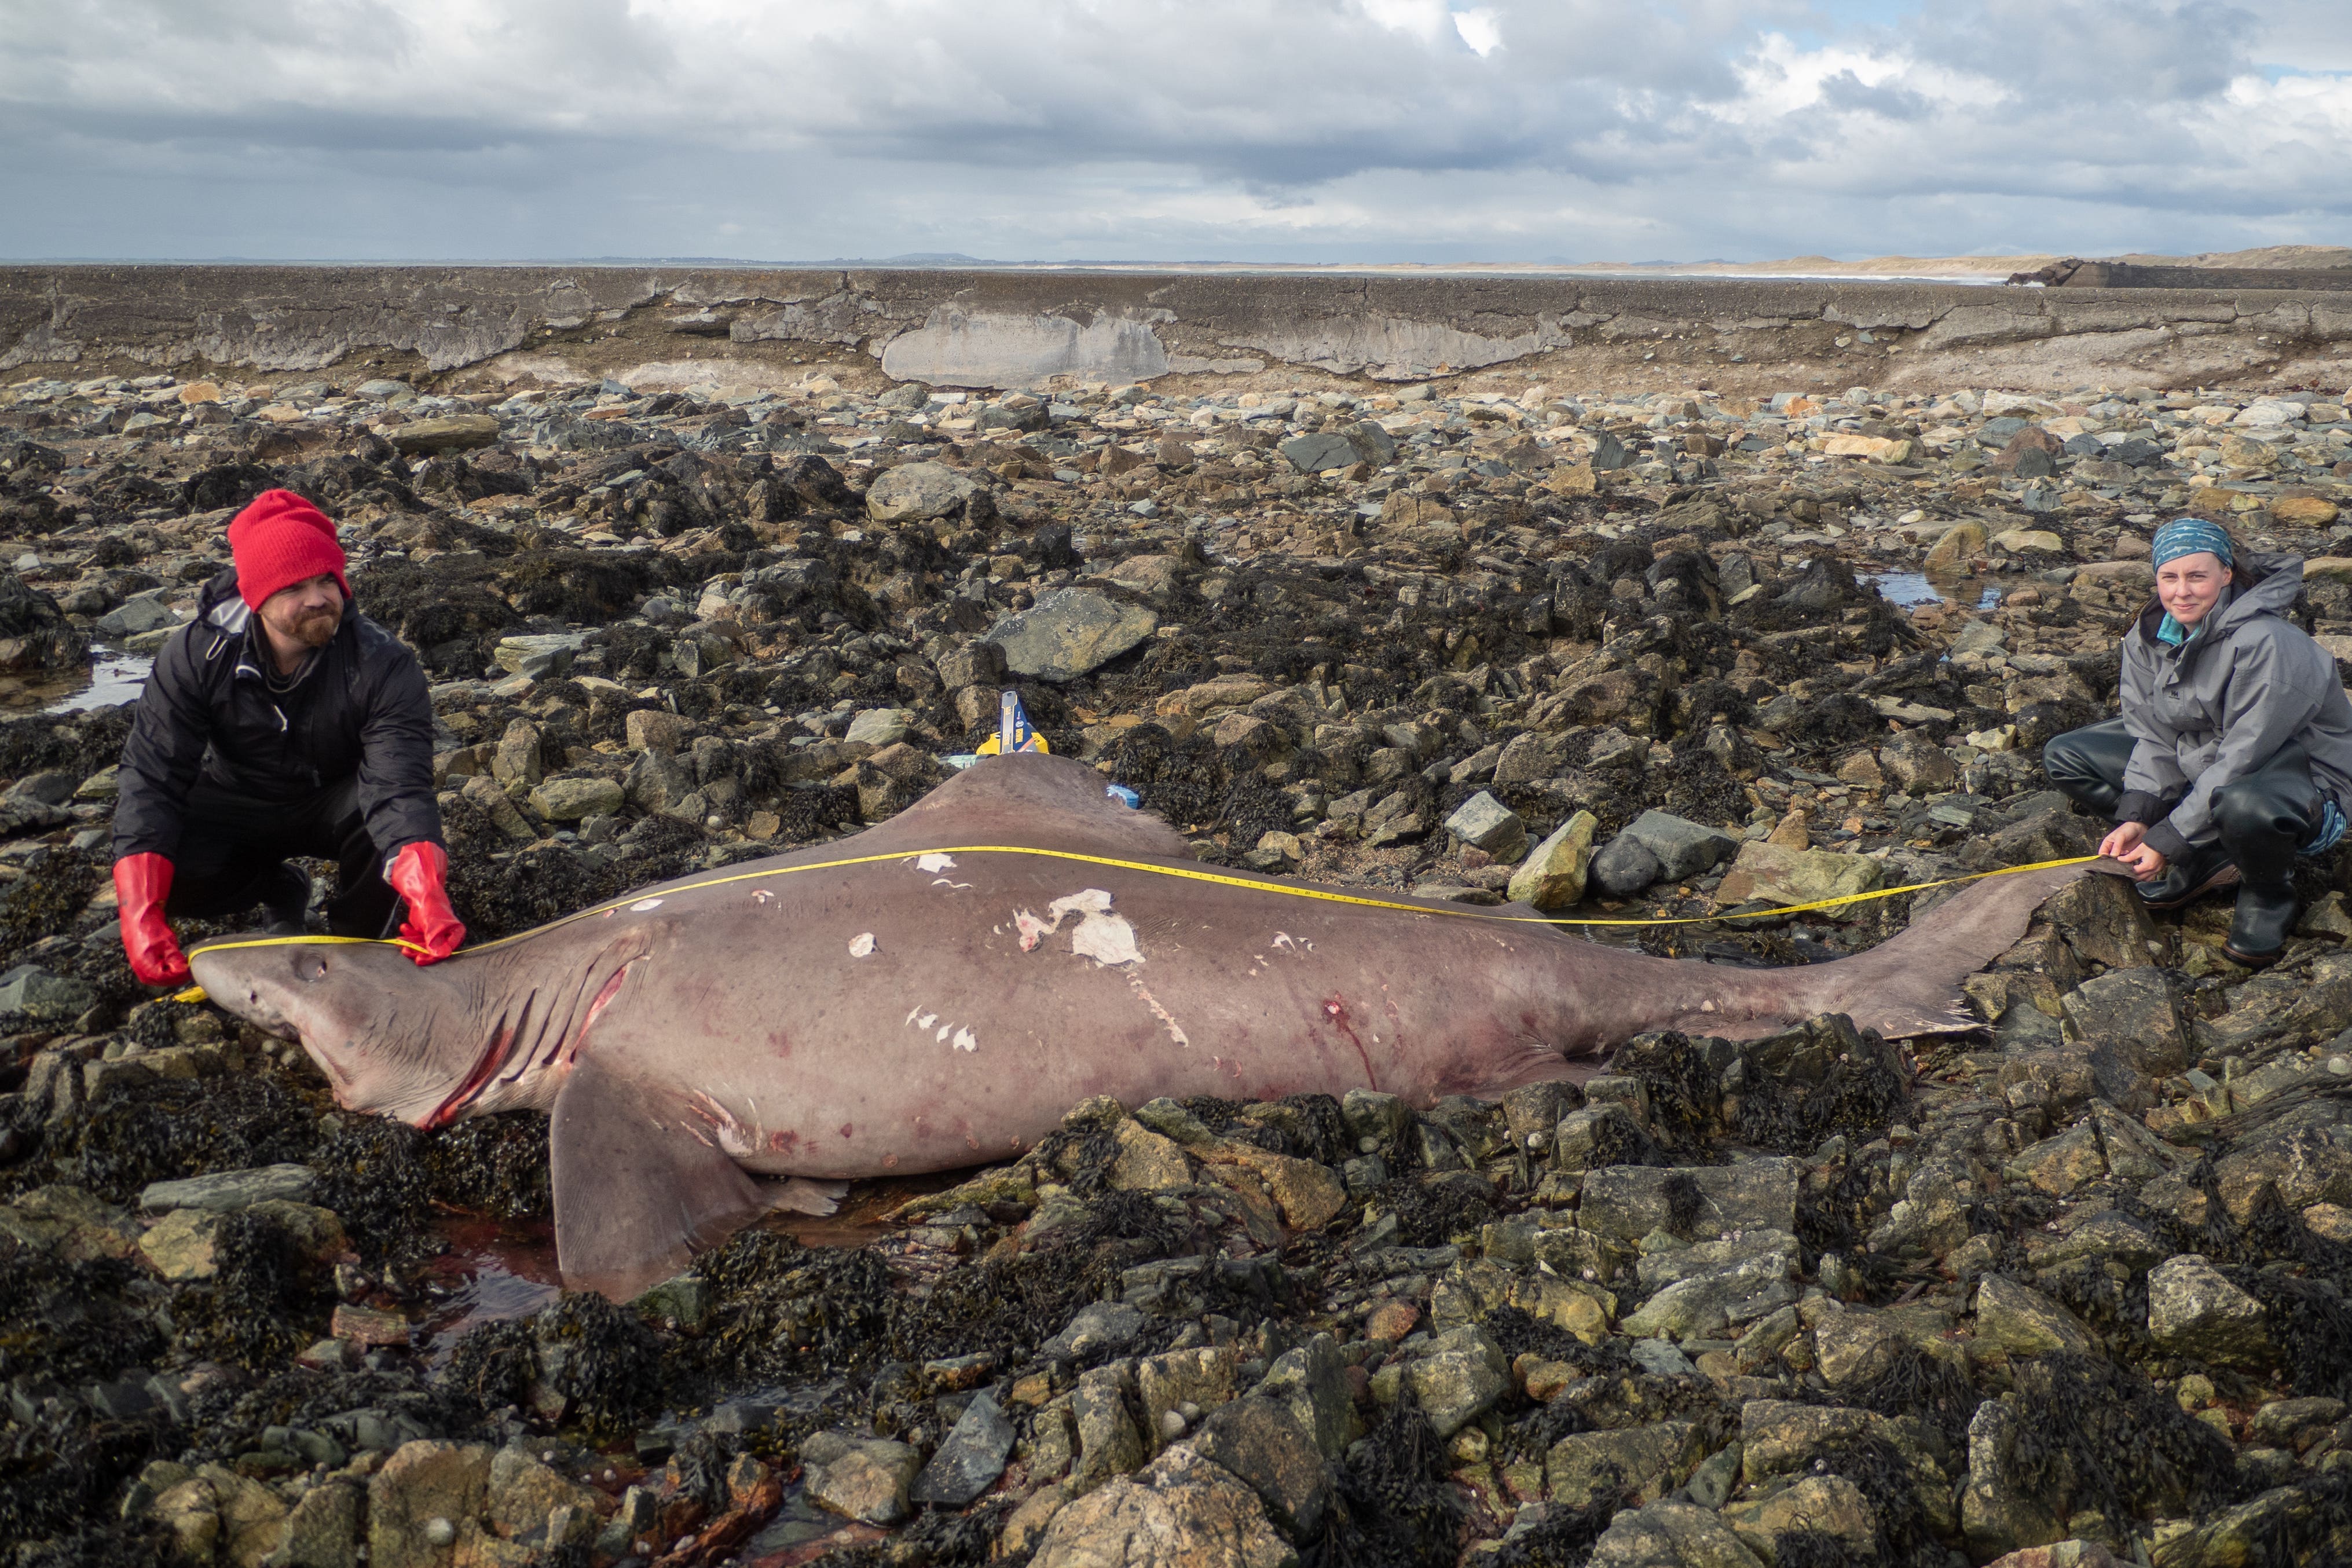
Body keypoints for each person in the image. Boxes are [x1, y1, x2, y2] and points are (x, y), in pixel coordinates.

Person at [109, 489, 464, 986]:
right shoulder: (195, 656)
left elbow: (399, 784)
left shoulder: (384, 663)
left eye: (326, 581)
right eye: (294, 587)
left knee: (387, 828)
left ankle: (359, 949)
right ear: (258, 596)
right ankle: (276, 887)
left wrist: (425, 885)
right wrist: (141, 908)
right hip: (237, 797)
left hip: (336, 804)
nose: (317, 598)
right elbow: (153, 775)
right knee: (169, 851)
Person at [2043, 516, 2352, 967]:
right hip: (2207, 763)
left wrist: (2169, 838)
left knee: (2244, 805)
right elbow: (2152, 735)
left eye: (2197, 576)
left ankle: (2268, 893)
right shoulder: (2148, 636)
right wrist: (2140, 817)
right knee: (2068, 756)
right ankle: (2206, 856)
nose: (2181, 591)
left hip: (2299, 783)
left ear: (2226, 575)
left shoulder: (2268, 642)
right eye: (2169, 577)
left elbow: (2243, 757)